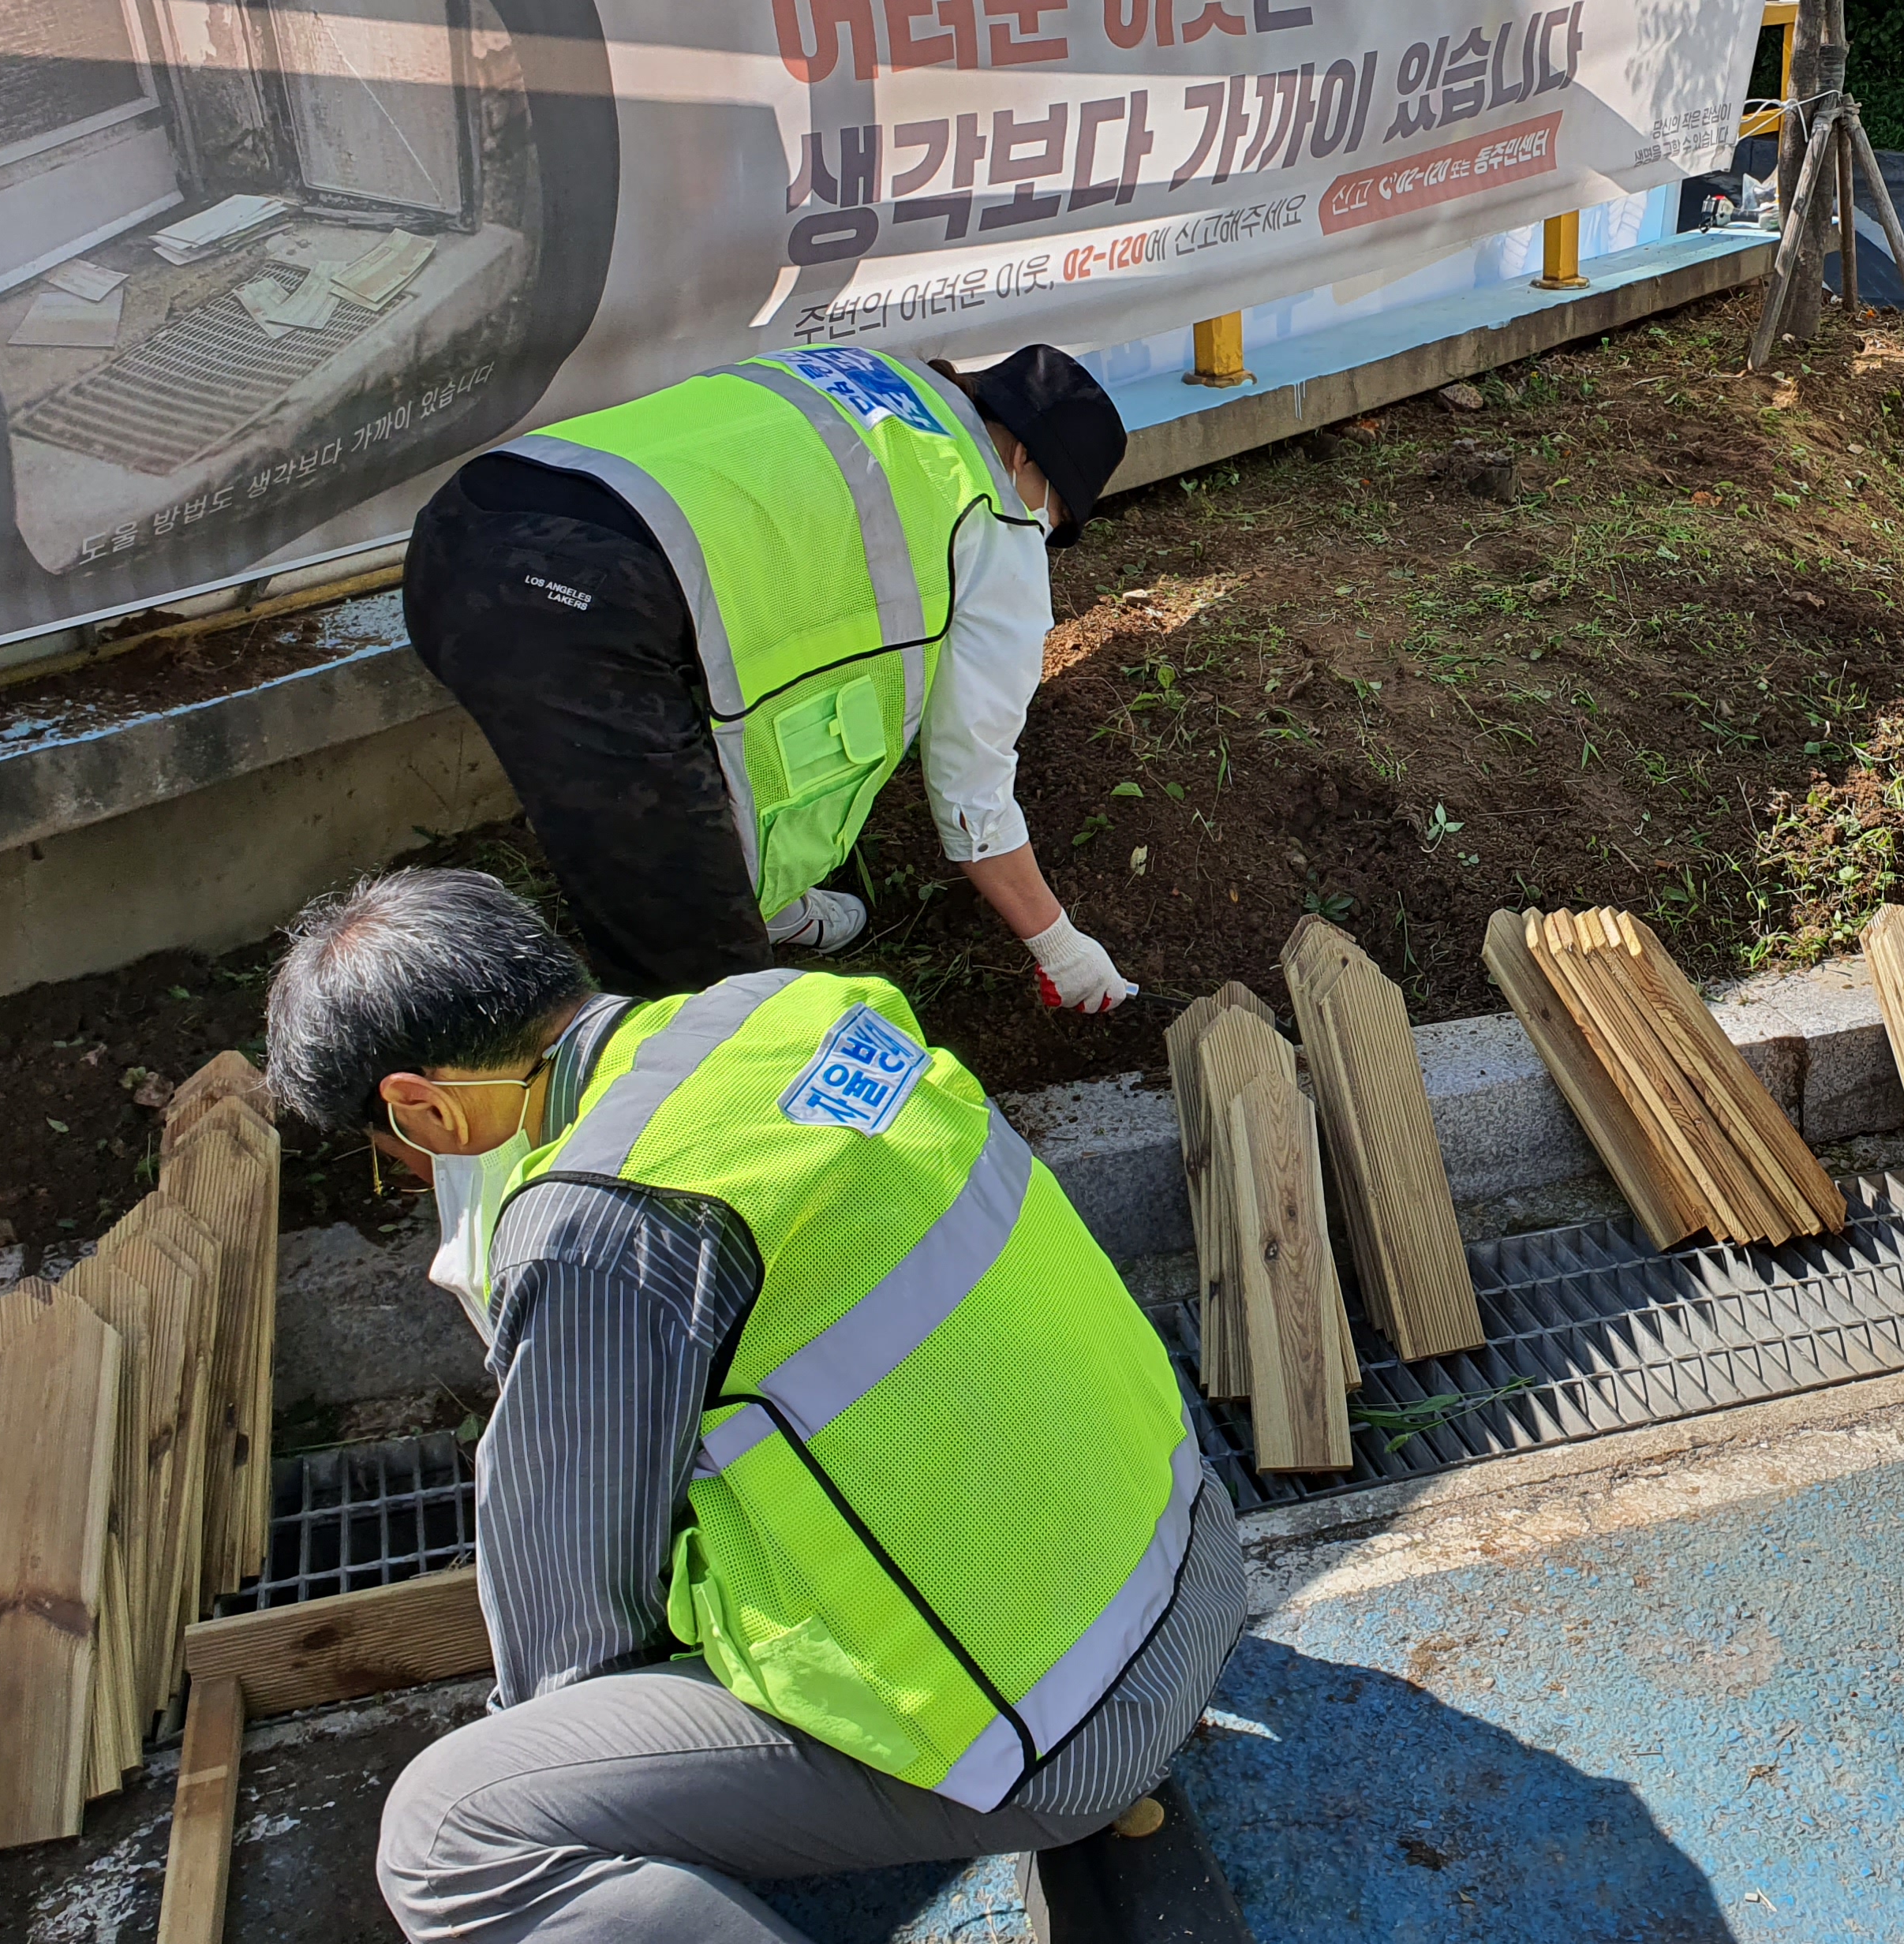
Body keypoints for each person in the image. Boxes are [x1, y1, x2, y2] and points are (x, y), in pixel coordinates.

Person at [264, 867, 1244, 1941]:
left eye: (388, 1155)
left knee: (454, 1834)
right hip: (1194, 1568)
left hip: (1060, 1738)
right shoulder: (798, 1010)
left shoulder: (603, 1216)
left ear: (420, 1104)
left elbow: (570, 1637)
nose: (405, 1168)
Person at [406, 340, 1138, 1013]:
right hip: (584, 607)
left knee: (677, 750)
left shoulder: (865, 377)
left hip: (466, 521)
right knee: (700, 978)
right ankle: (625, 1120)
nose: (1043, 530)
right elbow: (973, 792)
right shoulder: (990, 515)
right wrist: (1058, 944)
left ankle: (762, 899)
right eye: (1057, 515)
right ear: (1026, 465)